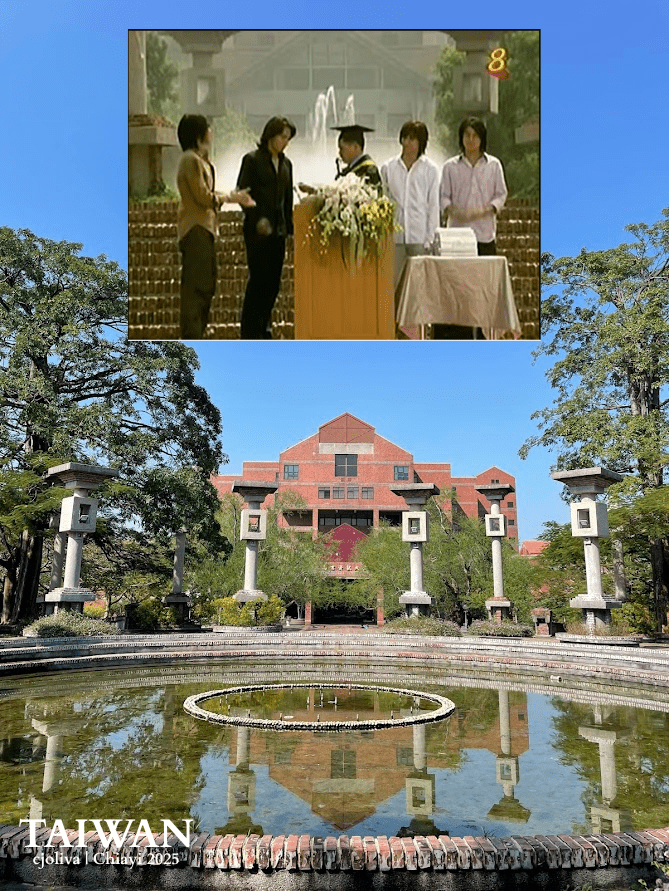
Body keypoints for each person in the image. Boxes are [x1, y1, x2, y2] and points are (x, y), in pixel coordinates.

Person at [176, 114, 254, 340]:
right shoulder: (190, 160)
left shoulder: (199, 160)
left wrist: (233, 197)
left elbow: (209, 193)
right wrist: (229, 198)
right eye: (208, 128)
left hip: (205, 230)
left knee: (206, 285)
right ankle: (192, 336)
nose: (212, 132)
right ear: (198, 133)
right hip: (195, 229)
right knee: (196, 289)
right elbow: (203, 196)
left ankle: (198, 332)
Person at [436, 116, 508, 339]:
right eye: (467, 135)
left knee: (484, 293)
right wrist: (454, 211)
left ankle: (485, 337)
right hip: (457, 240)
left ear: (482, 138)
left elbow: (501, 195)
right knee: (458, 291)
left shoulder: (494, 165)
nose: (471, 139)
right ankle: (459, 336)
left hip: (484, 236)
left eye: (475, 135)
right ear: (461, 138)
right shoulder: (450, 167)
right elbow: (443, 198)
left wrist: (484, 210)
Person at [236, 115, 296, 339]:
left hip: (278, 234)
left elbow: (287, 199)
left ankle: (265, 327)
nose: (285, 142)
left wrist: (288, 228)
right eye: (283, 136)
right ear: (271, 135)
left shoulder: (286, 164)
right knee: (258, 281)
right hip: (257, 233)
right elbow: (243, 193)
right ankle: (250, 330)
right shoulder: (252, 160)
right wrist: (256, 217)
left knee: (273, 283)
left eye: (288, 138)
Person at [380, 120, 440, 287]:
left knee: (419, 287)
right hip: (395, 237)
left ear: (421, 142)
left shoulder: (430, 169)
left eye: (412, 139)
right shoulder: (388, 168)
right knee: (394, 284)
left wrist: (430, 238)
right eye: (404, 138)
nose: (406, 142)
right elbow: (383, 201)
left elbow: (433, 206)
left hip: (419, 237)